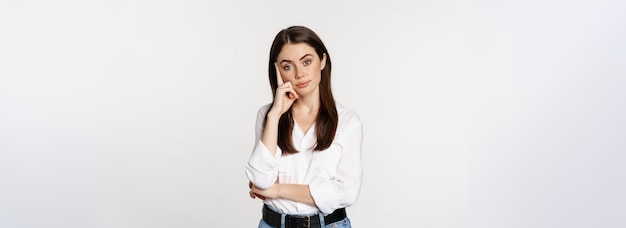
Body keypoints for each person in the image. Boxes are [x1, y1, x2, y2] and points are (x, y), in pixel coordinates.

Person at [245, 25, 363, 228]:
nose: (300, 74)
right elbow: (260, 180)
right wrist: (275, 116)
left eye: (307, 62)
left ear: (323, 61)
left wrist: (277, 191)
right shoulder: (267, 116)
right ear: (277, 70)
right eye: (287, 66)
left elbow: (347, 192)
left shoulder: (348, 122)